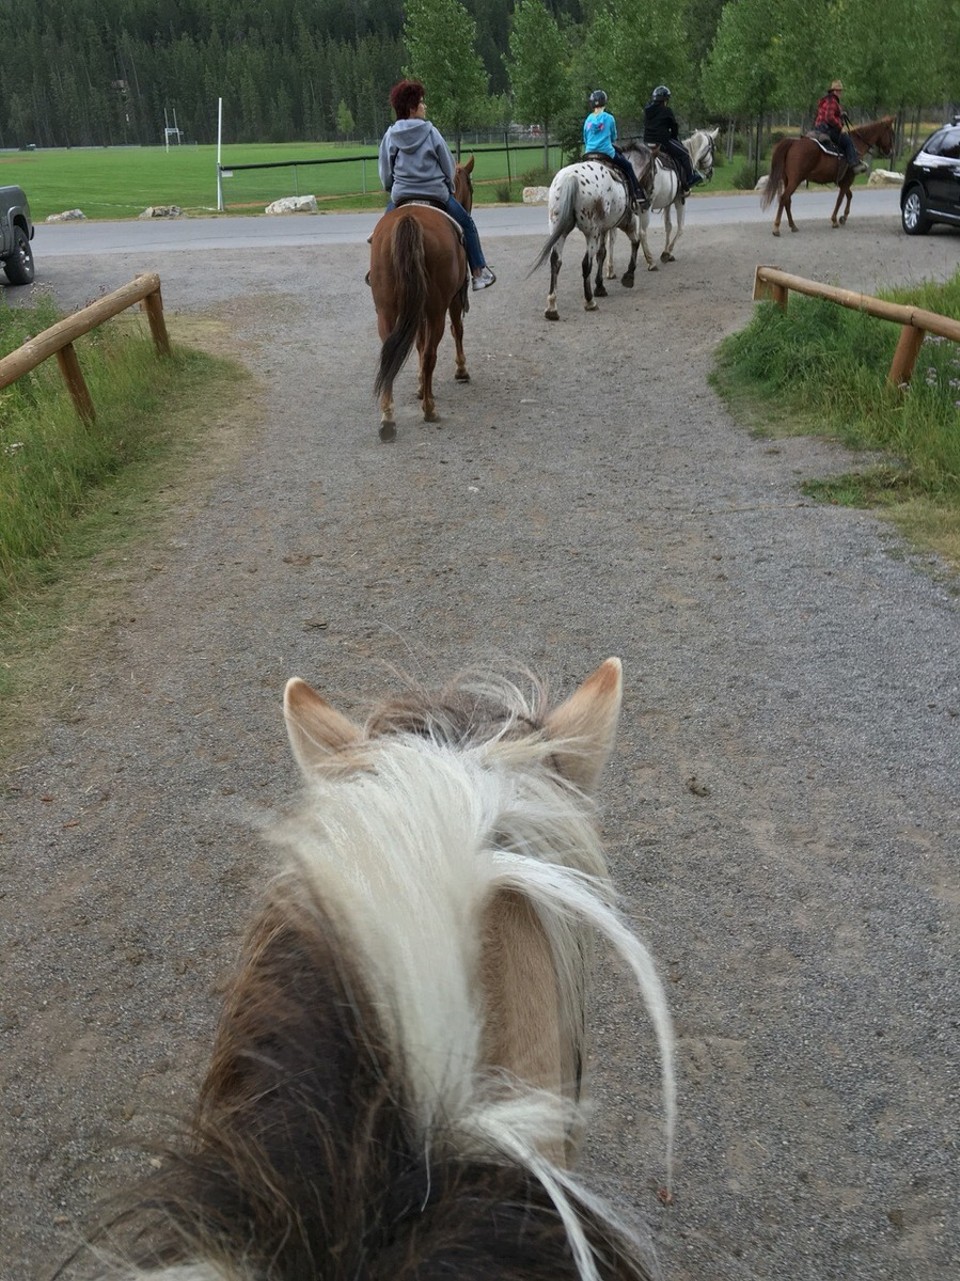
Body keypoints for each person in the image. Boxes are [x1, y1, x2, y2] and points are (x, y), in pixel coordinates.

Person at [378, 79, 495, 291]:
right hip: (435, 196)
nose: (425, 106)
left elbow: (386, 172)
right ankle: (478, 272)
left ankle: (377, 271)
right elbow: (448, 167)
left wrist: (391, 188)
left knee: (379, 233)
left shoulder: (390, 135)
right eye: (422, 103)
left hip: (402, 197)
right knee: (467, 224)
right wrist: (448, 187)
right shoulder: (431, 132)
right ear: (412, 108)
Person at [582, 89, 646, 211]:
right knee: (627, 166)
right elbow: (613, 137)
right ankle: (637, 194)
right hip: (606, 152)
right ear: (604, 102)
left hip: (589, 153)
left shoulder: (588, 119)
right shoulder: (609, 118)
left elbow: (585, 138)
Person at [643, 85, 703, 194]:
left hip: (647, 142)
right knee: (684, 153)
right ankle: (690, 178)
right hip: (662, 142)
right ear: (665, 100)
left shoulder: (647, 110)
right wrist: (675, 138)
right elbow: (674, 127)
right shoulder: (667, 111)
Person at [813, 79, 868, 174]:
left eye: (840, 91)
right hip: (827, 128)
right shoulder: (832, 101)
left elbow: (830, 114)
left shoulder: (826, 100)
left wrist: (841, 114)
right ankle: (853, 164)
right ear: (833, 91)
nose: (839, 93)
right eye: (838, 91)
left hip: (819, 127)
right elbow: (829, 117)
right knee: (847, 141)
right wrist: (840, 127)